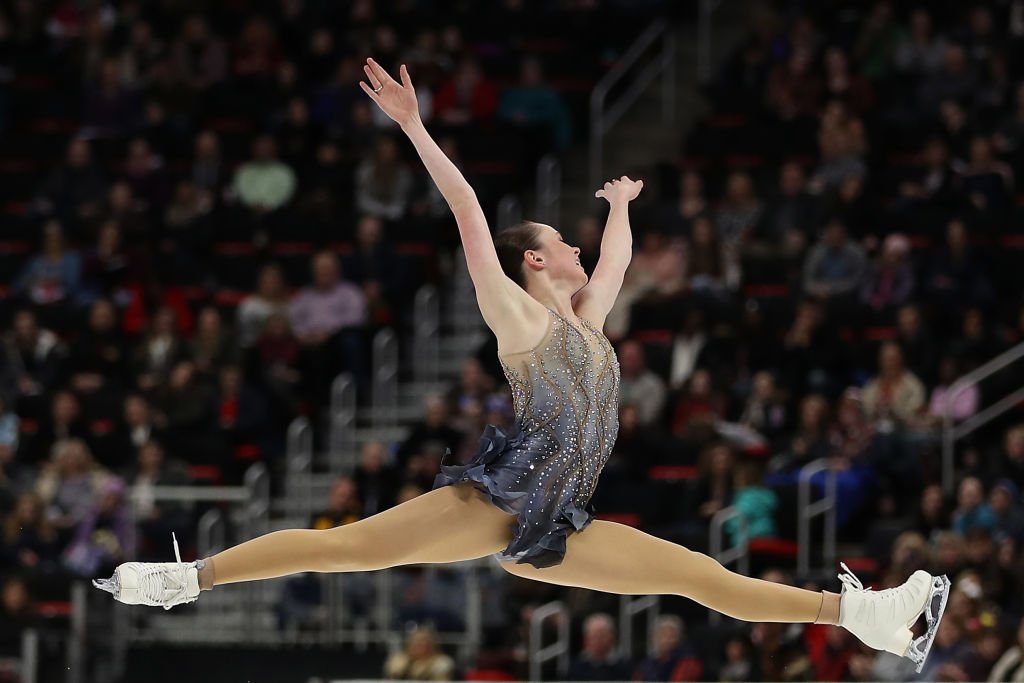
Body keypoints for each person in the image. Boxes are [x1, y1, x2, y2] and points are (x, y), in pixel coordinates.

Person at [94, 58, 949, 672]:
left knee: (702, 577)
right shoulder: (516, 318)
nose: (576, 244)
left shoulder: (590, 321)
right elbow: (467, 209)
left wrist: (619, 208)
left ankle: (866, 615)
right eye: (560, 239)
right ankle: (188, 576)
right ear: (534, 262)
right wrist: (416, 128)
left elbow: (615, 259)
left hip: (558, 523)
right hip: (497, 503)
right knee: (345, 548)